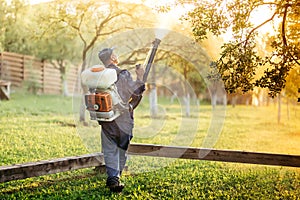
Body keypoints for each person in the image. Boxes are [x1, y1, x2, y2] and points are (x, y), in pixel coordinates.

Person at [97, 48, 145, 193]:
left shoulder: (100, 76)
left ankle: (113, 177)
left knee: (109, 150)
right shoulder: (123, 73)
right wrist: (140, 77)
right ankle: (115, 178)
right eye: (115, 54)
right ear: (112, 57)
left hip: (106, 118)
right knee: (121, 150)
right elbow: (135, 92)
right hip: (123, 119)